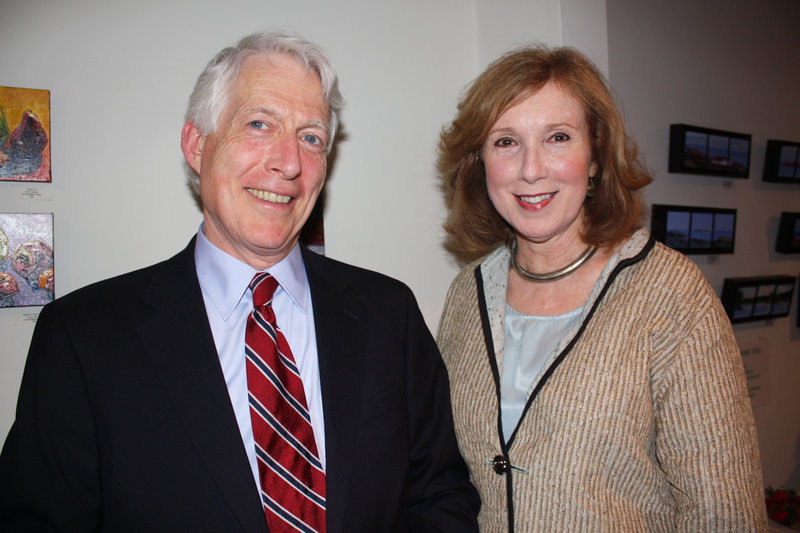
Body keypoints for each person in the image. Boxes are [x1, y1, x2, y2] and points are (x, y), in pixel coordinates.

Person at [0, 30, 480, 532]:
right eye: (259, 124)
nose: (289, 162)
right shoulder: (84, 339)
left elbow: (440, 493)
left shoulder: (388, 313)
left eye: (311, 137)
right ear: (197, 144)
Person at [436, 45, 766, 532]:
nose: (531, 169)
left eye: (558, 137)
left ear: (595, 157)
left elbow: (724, 513)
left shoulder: (670, 295)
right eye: (506, 142)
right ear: (480, 163)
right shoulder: (468, 292)